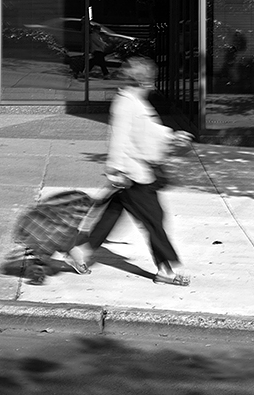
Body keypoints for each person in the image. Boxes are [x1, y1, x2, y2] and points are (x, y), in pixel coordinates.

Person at [76, 56, 192, 286]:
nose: (152, 84)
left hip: (135, 173)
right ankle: (165, 270)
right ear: (141, 81)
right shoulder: (126, 103)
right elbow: (118, 139)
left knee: (111, 215)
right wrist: (116, 170)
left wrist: (172, 136)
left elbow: (148, 131)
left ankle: (82, 253)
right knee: (154, 220)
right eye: (149, 80)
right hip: (132, 175)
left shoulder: (135, 101)